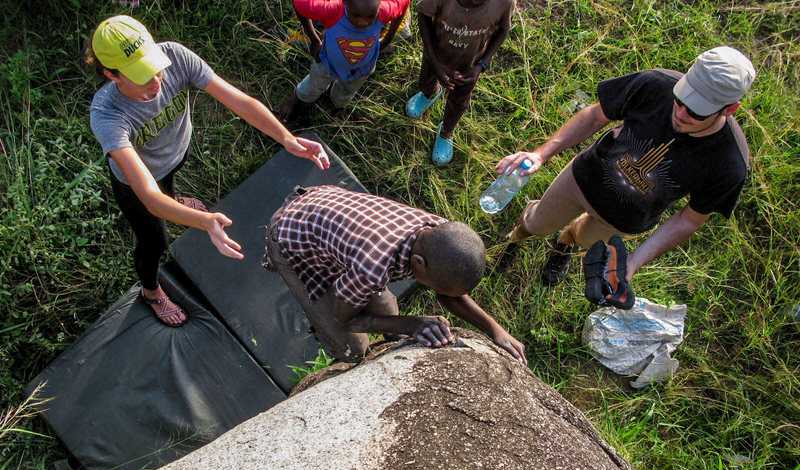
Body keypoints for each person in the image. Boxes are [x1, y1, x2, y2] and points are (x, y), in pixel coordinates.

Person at [87, 15, 330, 327]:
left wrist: (286, 138)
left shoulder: (174, 56)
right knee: (154, 240)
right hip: (137, 182)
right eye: (141, 75)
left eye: (154, 66)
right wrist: (205, 222)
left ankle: (175, 197)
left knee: (169, 188)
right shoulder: (107, 114)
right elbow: (148, 195)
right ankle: (151, 291)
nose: (156, 79)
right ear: (112, 75)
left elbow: (239, 101)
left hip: (175, 154)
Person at [496, 46, 755, 286]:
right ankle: (516, 238)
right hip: (582, 180)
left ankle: (565, 243)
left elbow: (690, 219)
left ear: (730, 109)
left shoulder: (730, 164)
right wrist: (542, 154)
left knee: (581, 237)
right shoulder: (656, 84)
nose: (681, 113)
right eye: (680, 99)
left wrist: (635, 260)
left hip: (622, 219)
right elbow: (596, 115)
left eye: (697, 112)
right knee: (537, 223)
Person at [263, 185, 527, 364]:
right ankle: (324, 332)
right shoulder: (372, 267)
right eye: (437, 285)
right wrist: (413, 324)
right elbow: (347, 320)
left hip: (331, 216)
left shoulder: (438, 232)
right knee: (353, 348)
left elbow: (451, 296)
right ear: (418, 263)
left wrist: (495, 330)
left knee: (389, 315)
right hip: (292, 233)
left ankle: (350, 289)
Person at [405, 0, 515, 165]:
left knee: (459, 101)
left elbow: (503, 29)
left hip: (469, 67)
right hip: (435, 55)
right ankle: (430, 93)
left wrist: (481, 65)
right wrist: (435, 63)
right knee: (425, 81)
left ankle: (446, 132)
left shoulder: (503, 3)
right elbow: (423, 15)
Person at [277, 0, 410, 125]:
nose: (363, 23)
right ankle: (299, 99)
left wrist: (387, 39)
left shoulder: (384, 10)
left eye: (371, 16)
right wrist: (314, 39)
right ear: (345, 1)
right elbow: (299, 5)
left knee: (346, 92)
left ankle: (338, 105)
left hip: (362, 69)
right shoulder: (332, 10)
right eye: (356, 15)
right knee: (314, 83)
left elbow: (404, 5)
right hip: (327, 63)